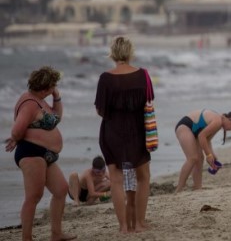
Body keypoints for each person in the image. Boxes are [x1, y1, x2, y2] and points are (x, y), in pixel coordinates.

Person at [4, 66, 77, 241]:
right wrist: (17, 138)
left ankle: (56, 234)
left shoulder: (40, 100)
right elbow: (16, 130)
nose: (54, 88)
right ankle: (26, 238)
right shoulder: (29, 103)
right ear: (45, 87)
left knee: (61, 189)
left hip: (44, 155)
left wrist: (56, 96)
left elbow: (56, 119)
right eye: (53, 86)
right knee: (34, 196)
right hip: (31, 153)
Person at [95, 36, 151, 234]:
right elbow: (149, 101)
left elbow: (100, 110)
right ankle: (139, 224)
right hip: (138, 131)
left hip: (112, 132)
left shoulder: (105, 78)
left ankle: (123, 227)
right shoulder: (143, 75)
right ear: (130, 52)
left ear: (112, 53)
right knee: (143, 177)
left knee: (116, 180)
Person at [174, 109, 231, 193]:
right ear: (230, 119)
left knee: (200, 158)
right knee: (192, 158)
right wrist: (209, 155)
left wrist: (212, 155)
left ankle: (198, 188)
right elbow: (201, 136)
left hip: (194, 131)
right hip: (185, 126)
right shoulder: (218, 121)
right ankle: (179, 189)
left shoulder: (219, 124)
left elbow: (207, 140)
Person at [122, 163, 137, 232]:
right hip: (131, 167)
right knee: (131, 200)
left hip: (129, 167)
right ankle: (130, 226)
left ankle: (133, 225)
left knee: (132, 201)